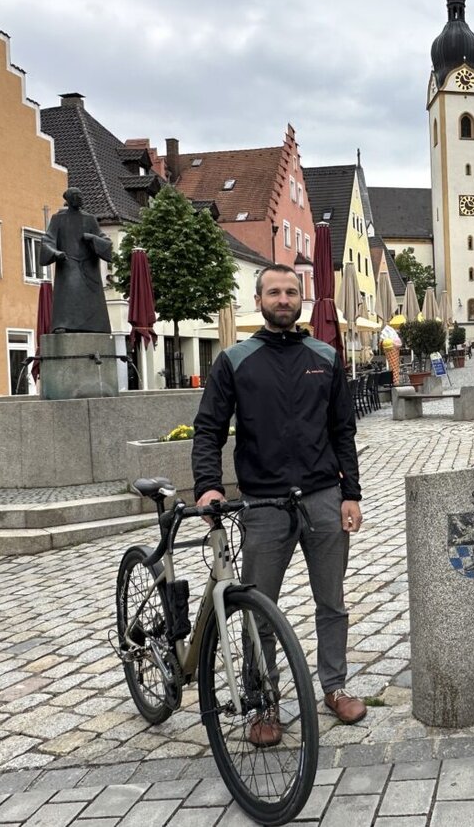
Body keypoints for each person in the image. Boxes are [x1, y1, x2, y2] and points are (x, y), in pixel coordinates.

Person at [193, 264, 367, 743]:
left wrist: (350, 492)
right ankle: (263, 704)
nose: (284, 299)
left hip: (323, 498)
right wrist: (208, 485)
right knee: (259, 609)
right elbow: (209, 429)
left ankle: (334, 687)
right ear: (259, 300)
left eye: (292, 291)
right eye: (275, 292)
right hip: (263, 504)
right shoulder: (235, 360)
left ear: (302, 299)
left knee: (332, 601)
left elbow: (343, 431)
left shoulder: (325, 356)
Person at [39, 187, 113, 333]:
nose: (80, 199)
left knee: (91, 298)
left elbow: (106, 241)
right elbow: (48, 240)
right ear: (69, 199)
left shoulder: (89, 219)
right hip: (68, 262)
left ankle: (95, 326)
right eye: (77, 196)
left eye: (81, 196)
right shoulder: (58, 219)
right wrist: (55, 253)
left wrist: (92, 238)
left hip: (88, 266)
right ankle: (63, 324)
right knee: (69, 292)